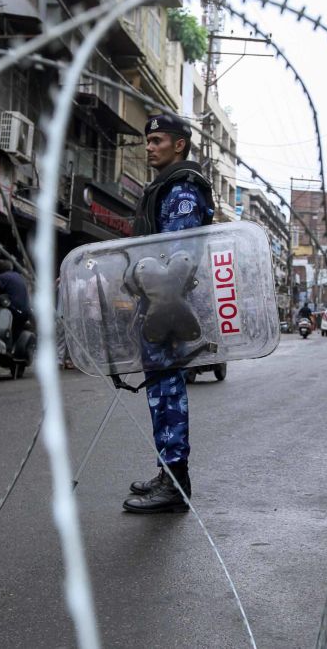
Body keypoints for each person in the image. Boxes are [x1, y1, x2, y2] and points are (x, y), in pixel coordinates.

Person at [123, 113, 214, 514]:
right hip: (158, 306)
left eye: (158, 139)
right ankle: (167, 473)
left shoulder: (182, 191)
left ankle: (175, 484)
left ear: (179, 144)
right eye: (148, 140)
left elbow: (178, 259)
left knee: (168, 394)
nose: (150, 146)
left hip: (168, 308)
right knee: (161, 394)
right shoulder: (164, 187)